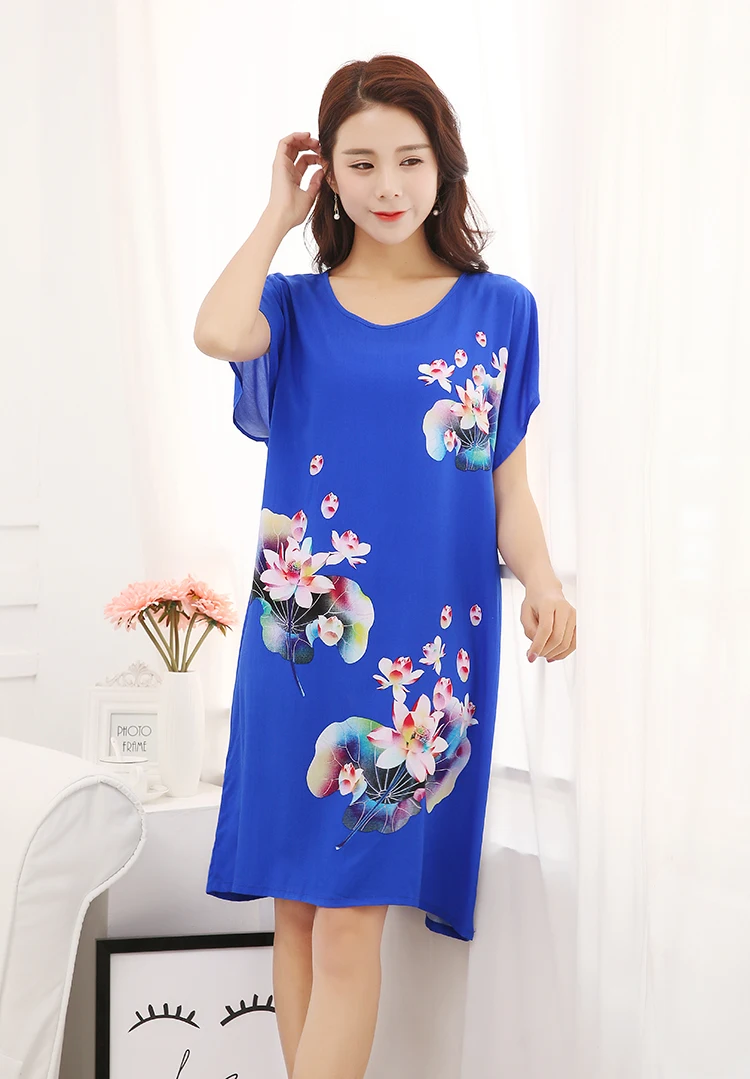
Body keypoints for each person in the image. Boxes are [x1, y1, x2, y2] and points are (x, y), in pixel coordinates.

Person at [194, 53, 576, 1079]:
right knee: (298, 911)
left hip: (418, 653)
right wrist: (275, 215)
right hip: (300, 641)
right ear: (329, 175)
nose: (390, 185)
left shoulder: (499, 310)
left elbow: (506, 488)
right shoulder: (294, 307)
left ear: (445, 166)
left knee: (351, 920)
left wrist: (545, 582)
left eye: (410, 159)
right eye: (360, 164)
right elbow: (216, 330)